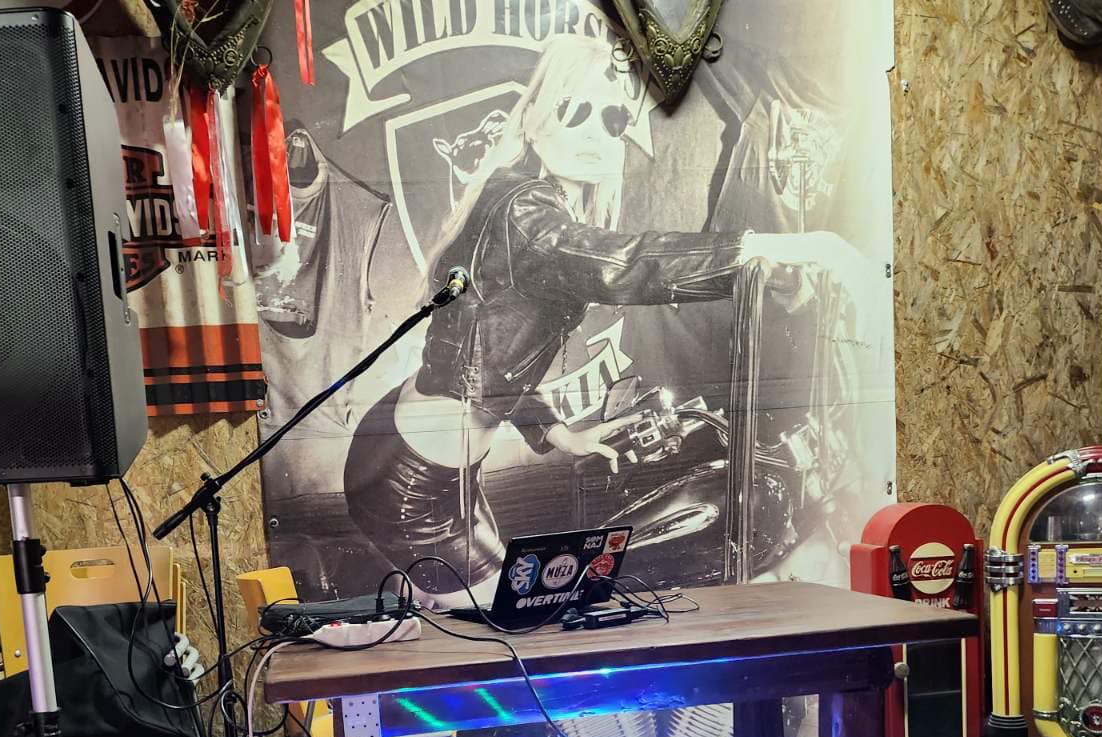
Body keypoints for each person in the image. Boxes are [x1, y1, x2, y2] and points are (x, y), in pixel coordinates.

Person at [343, 33, 877, 603]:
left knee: (494, 616)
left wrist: (558, 434)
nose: (595, 134)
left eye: (612, 119)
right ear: (535, 119)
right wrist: (782, 246)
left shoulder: (522, 197)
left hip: (436, 466)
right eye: (574, 112)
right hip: (412, 490)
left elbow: (485, 353)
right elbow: (621, 265)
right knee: (517, 621)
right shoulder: (525, 213)